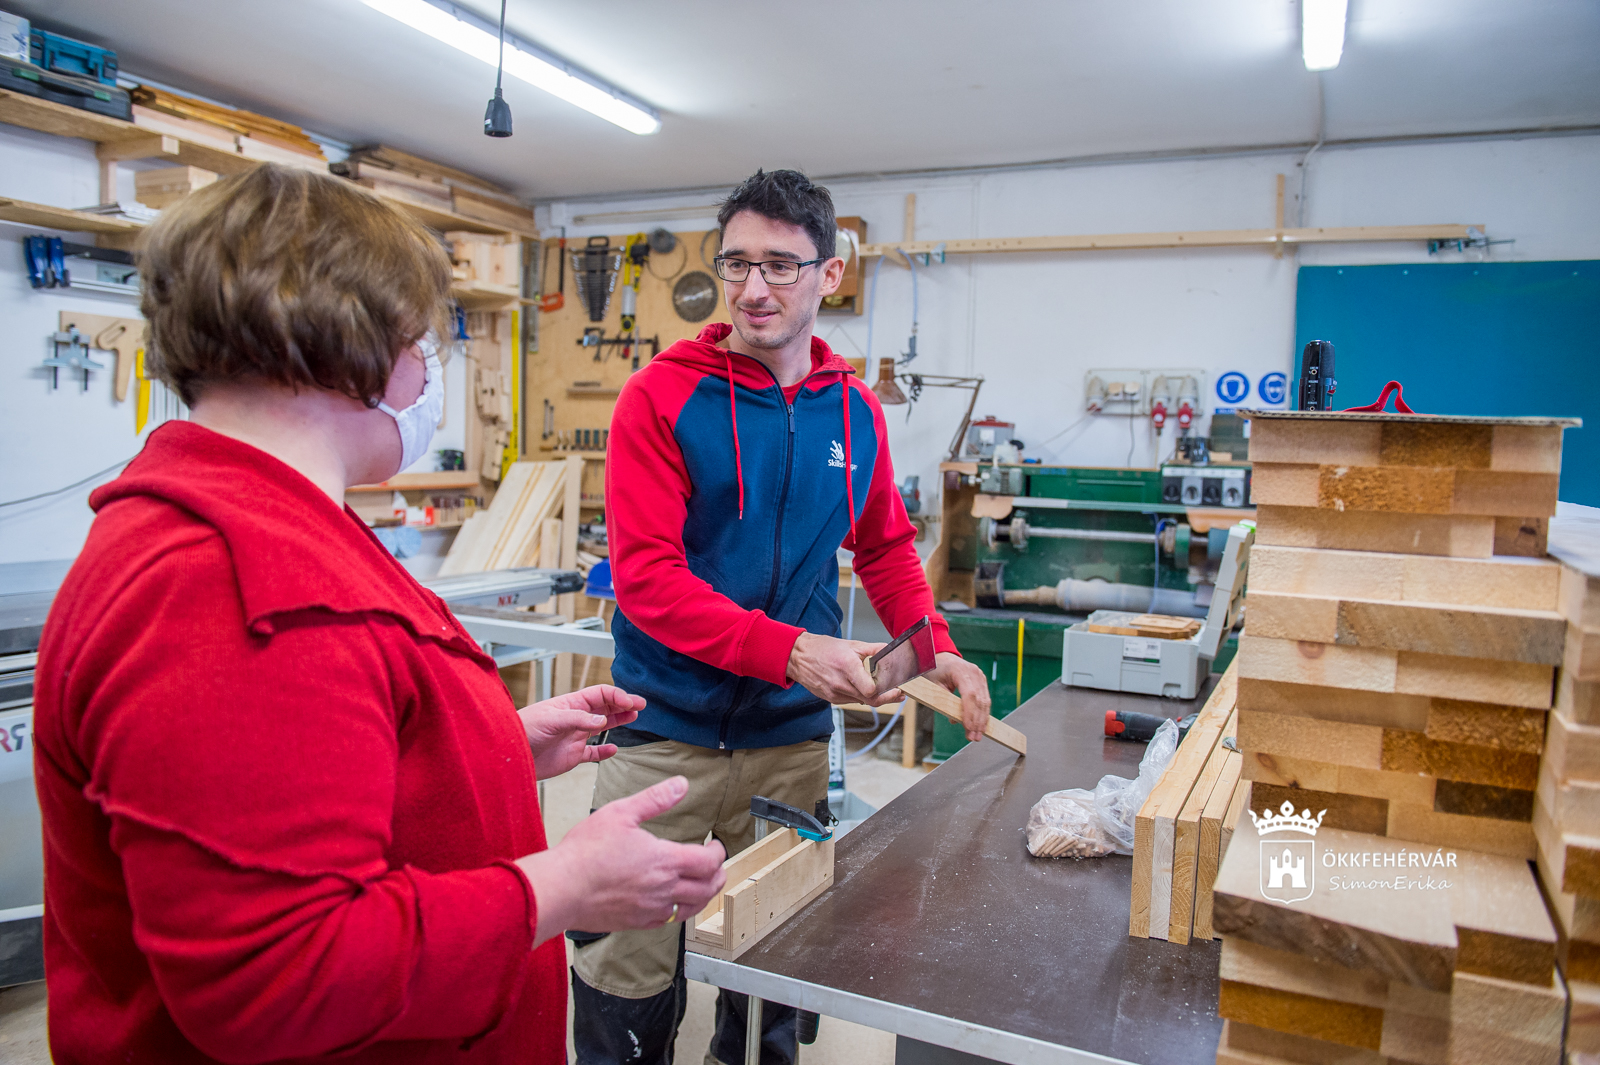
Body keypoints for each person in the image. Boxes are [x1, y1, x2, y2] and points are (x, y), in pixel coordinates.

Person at [31, 164, 728, 1065]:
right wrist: (565, 882)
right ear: (352, 345)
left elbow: (300, 771)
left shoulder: (262, 524)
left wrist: (483, 748)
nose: (425, 368)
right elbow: (279, 976)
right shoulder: (238, 584)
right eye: (420, 339)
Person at [575, 169, 993, 1064]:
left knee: (775, 981)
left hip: (791, 743)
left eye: (780, 266)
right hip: (662, 736)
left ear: (829, 275)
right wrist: (790, 648)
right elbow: (646, 577)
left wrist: (940, 646)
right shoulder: (660, 396)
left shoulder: (855, 412)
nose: (753, 288)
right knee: (625, 973)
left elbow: (882, 547)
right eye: (736, 264)